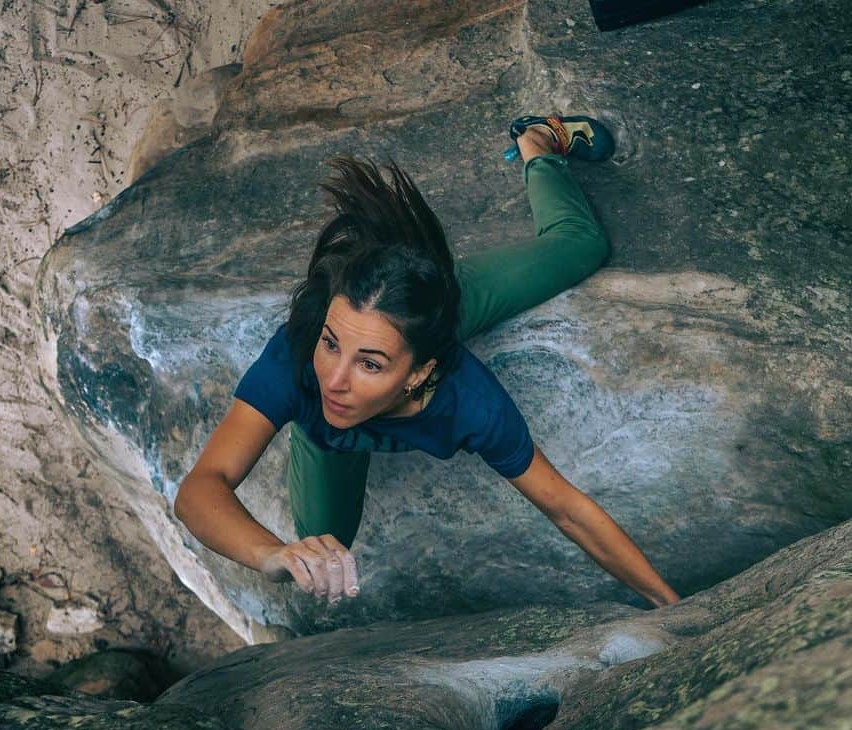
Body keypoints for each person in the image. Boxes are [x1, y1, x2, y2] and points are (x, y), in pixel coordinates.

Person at [174, 115, 681, 611]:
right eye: (332, 344)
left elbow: (567, 510)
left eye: (369, 365)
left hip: (432, 316)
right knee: (324, 543)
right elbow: (201, 488)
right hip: (330, 434)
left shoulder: (469, 401)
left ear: (420, 374)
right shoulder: (298, 357)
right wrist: (272, 553)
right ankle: (345, 388)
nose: (334, 378)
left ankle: (537, 142)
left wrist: (672, 608)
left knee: (581, 245)